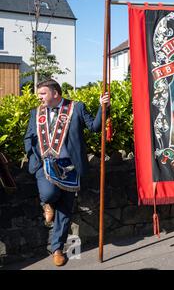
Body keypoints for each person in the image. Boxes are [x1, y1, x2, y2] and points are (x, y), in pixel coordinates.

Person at [24, 79, 110, 267]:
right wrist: (33, 157)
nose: (39, 97)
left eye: (42, 94)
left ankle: (57, 249)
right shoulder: (35, 113)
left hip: (70, 167)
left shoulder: (76, 108)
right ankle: (46, 203)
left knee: (64, 209)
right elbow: (28, 137)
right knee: (50, 193)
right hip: (44, 164)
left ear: (55, 93)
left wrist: (103, 108)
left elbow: (94, 127)